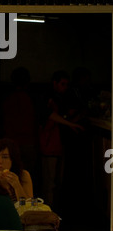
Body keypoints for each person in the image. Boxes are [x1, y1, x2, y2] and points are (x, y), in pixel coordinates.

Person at [39, 70, 84, 211]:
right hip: (49, 145)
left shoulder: (60, 98)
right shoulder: (48, 98)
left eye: (66, 84)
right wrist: (71, 124)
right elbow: (50, 115)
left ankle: (53, 211)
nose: (65, 87)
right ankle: (49, 211)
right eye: (62, 84)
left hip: (57, 145)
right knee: (50, 183)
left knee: (56, 183)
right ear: (55, 83)